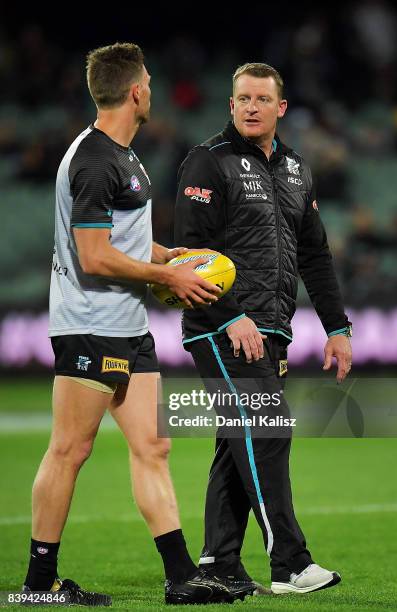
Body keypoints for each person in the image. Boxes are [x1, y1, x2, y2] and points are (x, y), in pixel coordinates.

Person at [21, 42, 236, 606]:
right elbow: (93, 256)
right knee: (70, 449)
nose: (152, 93)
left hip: (128, 325)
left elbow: (120, 241)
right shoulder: (94, 159)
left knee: (154, 446)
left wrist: (165, 256)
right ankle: (37, 586)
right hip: (91, 324)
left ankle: (181, 577)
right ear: (137, 91)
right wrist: (168, 280)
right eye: (149, 84)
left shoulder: (122, 155)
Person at [174, 62, 352, 596]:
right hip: (220, 326)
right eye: (242, 98)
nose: (251, 106)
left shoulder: (296, 169)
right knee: (268, 431)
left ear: (281, 108)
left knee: (238, 441)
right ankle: (290, 565)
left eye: (261, 99)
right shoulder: (208, 162)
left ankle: (219, 562)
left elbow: (315, 256)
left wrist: (337, 327)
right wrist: (231, 316)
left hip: (272, 326)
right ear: (231, 105)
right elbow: (189, 254)